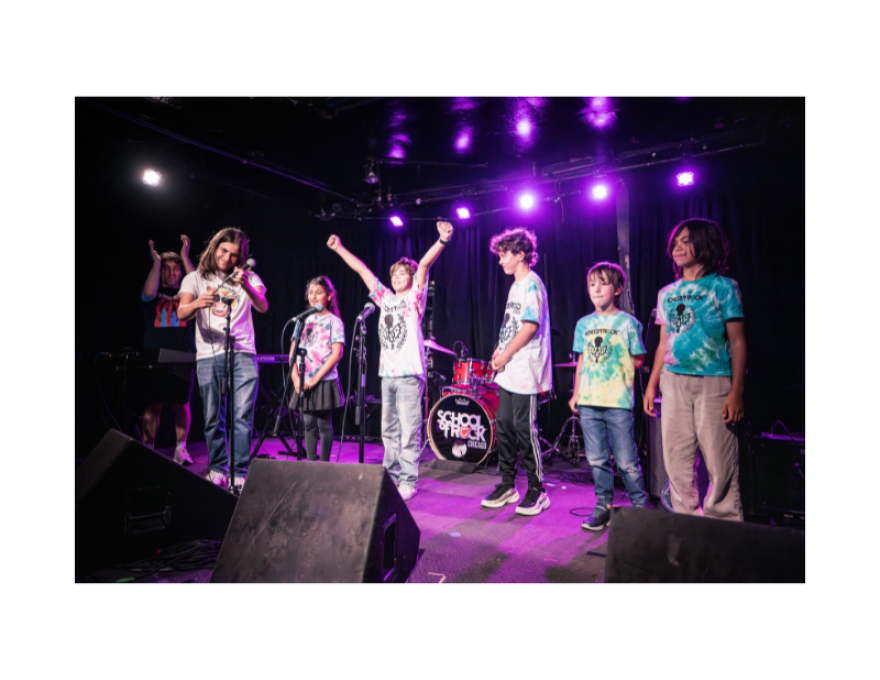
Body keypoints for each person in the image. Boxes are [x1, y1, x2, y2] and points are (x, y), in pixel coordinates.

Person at [327, 221, 453, 501]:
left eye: (402, 273)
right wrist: (339, 248)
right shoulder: (384, 298)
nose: (396, 277)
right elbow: (362, 270)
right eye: (394, 273)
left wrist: (442, 240)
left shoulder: (415, 298)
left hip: (410, 374)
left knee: (409, 430)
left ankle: (408, 480)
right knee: (389, 430)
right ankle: (391, 478)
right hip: (388, 375)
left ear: (410, 278)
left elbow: (424, 265)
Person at [643, 218, 746, 521]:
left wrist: (736, 391)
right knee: (676, 460)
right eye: (675, 242)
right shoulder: (667, 292)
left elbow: (738, 342)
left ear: (706, 244)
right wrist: (651, 385)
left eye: (686, 241)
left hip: (714, 383)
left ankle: (723, 528)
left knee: (720, 461)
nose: (677, 247)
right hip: (673, 382)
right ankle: (687, 524)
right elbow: (663, 344)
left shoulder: (724, 287)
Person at [177, 228, 268, 491]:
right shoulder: (194, 278)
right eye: (224, 250)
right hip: (209, 354)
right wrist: (197, 304)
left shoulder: (249, 277)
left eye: (234, 254)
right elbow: (182, 312)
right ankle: (218, 468)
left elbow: (262, 306)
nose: (227, 258)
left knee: (242, 416)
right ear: (215, 247)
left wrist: (246, 285)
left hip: (243, 352)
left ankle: (240, 472)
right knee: (213, 416)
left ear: (241, 257)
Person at [568, 262, 648, 530]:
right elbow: (581, 361)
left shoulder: (628, 323)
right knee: (596, 459)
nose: (597, 289)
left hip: (617, 402)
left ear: (618, 288)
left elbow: (639, 359)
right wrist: (576, 393)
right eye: (592, 284)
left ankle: (640, 508)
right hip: (589, 402)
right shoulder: (583, 324)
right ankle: (603, 505)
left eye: (603, 283)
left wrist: (616, 361)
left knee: (626, 461)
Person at [482, 228, 553, 516]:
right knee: (504, 425)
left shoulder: (532, 284)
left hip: (526, 368)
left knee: (525, 429)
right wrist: (498, 351)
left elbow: (530, 326)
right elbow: (510, 324)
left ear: (520, 254)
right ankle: (508, 485)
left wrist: (505, 355)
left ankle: (538, 489)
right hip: (509, 368)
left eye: (504, 255)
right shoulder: (515, 286)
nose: (500, 260)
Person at [140, 235, 196, 464]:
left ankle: (181, 450)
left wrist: (185, 256)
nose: (172, 272)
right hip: (154, 356)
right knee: (153, 405)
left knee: (181, 404)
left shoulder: (186, 294)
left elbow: (199, 287)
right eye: (167, 268)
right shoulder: (153, 291)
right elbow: (148, 294)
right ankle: (148, 450)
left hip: (183, 356)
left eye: (176, 268)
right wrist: (156, 262)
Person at [288, 276, 345, 462]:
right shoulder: (302, 320)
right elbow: (292, 354)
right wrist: (296, 378)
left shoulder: (333, 321)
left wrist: (315, 378)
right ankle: (311, 464)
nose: (313, 296)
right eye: (311, 292)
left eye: (318, 292)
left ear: (329, 296)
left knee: (323, 423)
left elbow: (337, 353)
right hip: (303, 379)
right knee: (308, 423)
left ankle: (324, 466)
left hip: (323, 380)